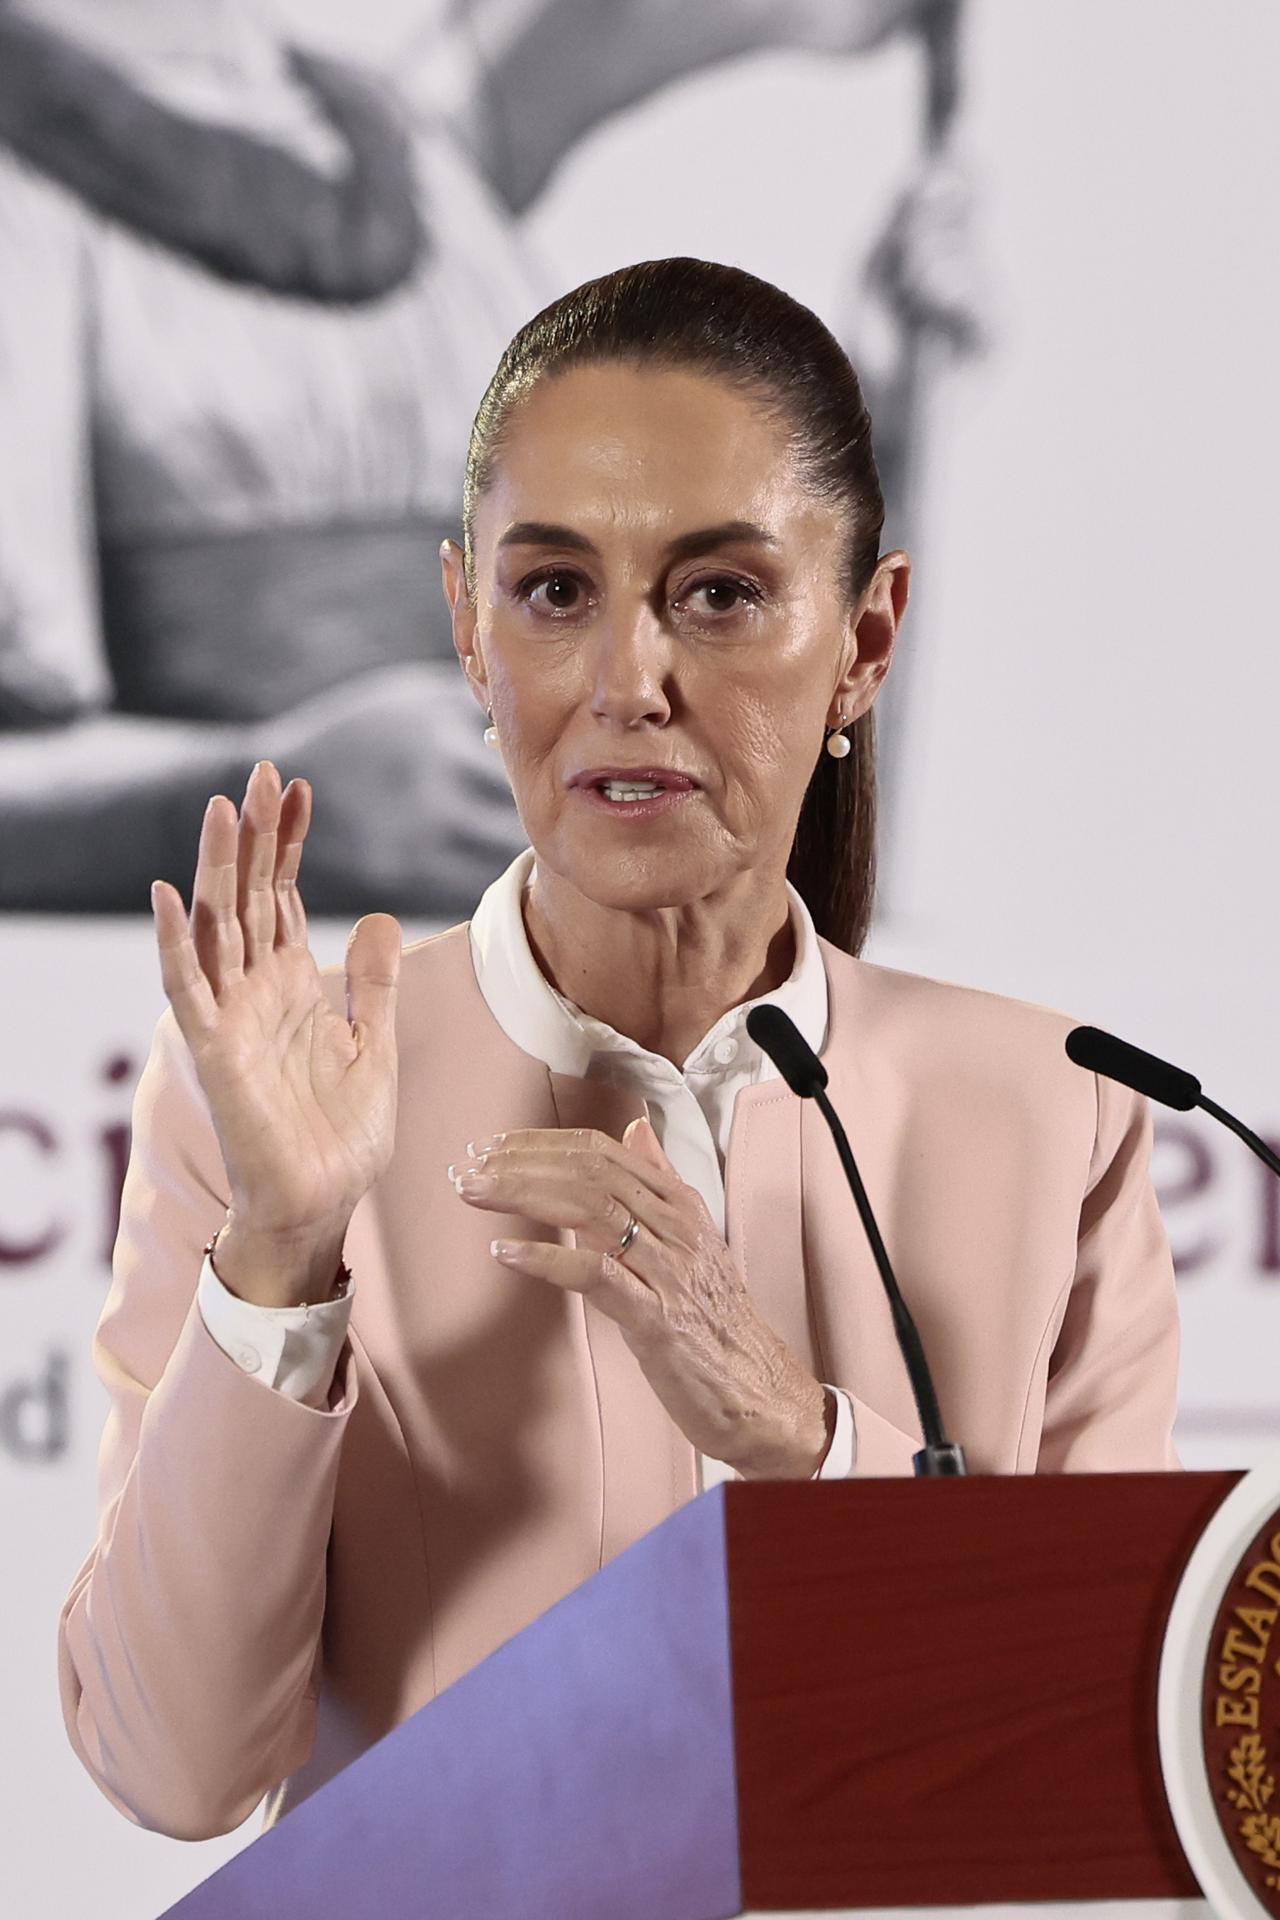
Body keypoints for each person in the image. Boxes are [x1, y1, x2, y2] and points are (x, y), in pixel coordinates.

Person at [57, 258, 1180, 1844]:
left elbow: (1125, 1760)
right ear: (466, 624)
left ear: (865, 636)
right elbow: (171, 1774)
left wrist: (804, 1447)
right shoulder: (277, 1102)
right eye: (555, 591)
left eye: (719, 594)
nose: (625, 682)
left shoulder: (1055, 1116)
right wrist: (285, 1253)